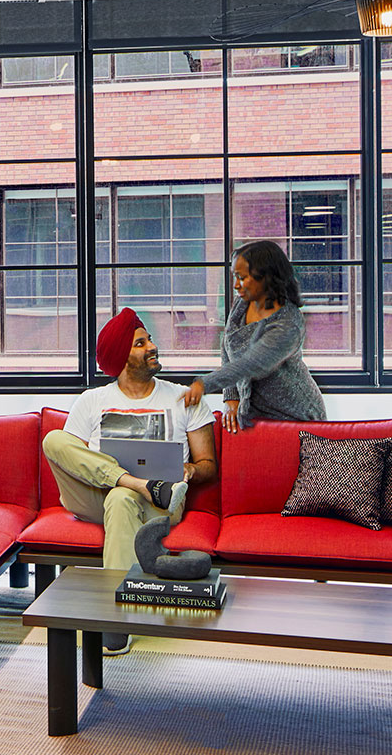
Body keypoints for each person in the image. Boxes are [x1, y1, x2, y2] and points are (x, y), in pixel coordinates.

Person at [43, 308, 217, 655]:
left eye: (149, 339)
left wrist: (190, 470)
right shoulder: (92, 401)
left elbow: (208, 465)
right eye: (141, 343)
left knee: (121, 500)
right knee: (54, 440)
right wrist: (130, 479)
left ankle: (116, 622)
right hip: (95, 496)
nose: (152, 346)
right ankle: (134, 482)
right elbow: (70, 457)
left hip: (159, 503)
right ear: (123, 357)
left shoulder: (183, 398)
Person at [181, 240, 326, 432]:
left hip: (297, 418)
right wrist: (231, 397)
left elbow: (253, 363)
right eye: (235, 276)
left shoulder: (288, 323)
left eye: (241, 277)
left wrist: (204, 384)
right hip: (254, 414)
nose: (235, 285)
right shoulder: (244, 302)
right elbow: (228, 344)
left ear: (265, 277)